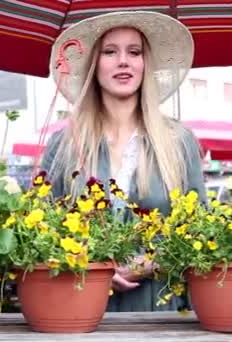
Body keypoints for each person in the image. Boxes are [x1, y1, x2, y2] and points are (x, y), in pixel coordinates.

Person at [40, 11, 206, 312]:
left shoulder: (178, 142)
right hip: (78, 309)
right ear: (94, 64)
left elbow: (201, 229)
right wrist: (89, 261)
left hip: (162, 315)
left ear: (145, 64)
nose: (123, 62)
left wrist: (153, 261)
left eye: (134, 52)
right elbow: (41, 231)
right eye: (109, 51)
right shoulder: (64, 145)